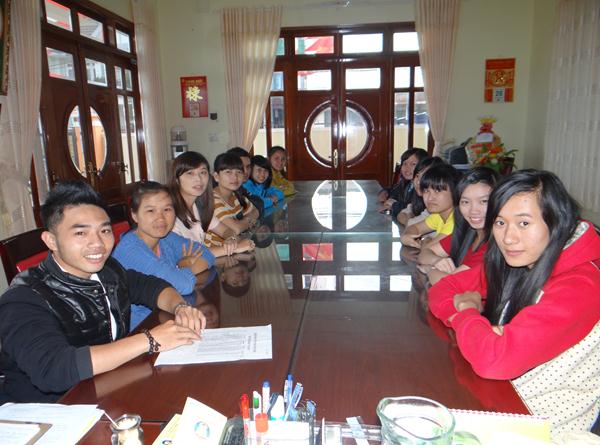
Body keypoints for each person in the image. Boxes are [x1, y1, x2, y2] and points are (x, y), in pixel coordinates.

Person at [428, 170, 600, 437]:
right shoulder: (516, 259)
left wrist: (467, 313)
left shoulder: (582, 285)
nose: (508, 237)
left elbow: (494, 360)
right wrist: (476, 328)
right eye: (500, 222)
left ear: (557, 221)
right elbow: (443, 289)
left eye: (524, 223)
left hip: (543, 425)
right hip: (498, 397)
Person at [0, 181, 205, 403]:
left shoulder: (108, 271)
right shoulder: (23, 298)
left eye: (104, 230)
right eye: (81, 233)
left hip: (109, 387)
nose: (97, 243)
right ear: (52, 241)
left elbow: (151, 286)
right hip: (52, 410)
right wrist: (150, 339)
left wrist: (180, 307)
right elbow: (54, 369)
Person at [113, 181, 215, 297]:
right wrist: (183, 267)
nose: (161, 218)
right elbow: (184, 285)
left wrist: (179, 273)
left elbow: (206, 254)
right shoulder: (130, 251)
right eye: (151, 211)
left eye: (167, 209)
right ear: (134, 215)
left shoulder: (166, 237)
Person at [418, 167, 499, 285]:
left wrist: (429, 270)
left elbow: (450, 283)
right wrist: (436, 260)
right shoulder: (466, 234)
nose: (473, 210)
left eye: (483, 201)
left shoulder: (495, 244)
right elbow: (424, 254)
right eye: (465, 202)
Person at [169, 151, 254, 256]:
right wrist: (232, 249)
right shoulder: (169, 212)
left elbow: (226, 231)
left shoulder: (199, 207)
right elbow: (186, 256)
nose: (198, 179)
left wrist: (231, 239)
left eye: (203, 172)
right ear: (177, 179)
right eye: (190, 173)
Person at [400, 163, 461, 249]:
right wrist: (406, 236)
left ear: (455, 192)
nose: (430, 198)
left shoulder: (456, 220)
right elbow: (414, 228)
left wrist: (426, 240)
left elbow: (430, 249)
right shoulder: (439, 216)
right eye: (426, 191)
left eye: (437, 191)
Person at [205, 152, 260, 247]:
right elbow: (236, 229)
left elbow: (256, 211)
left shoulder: (236, 195)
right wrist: (250, 220)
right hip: (215, 251)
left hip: (234, 246)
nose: (235, 177)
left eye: (239, 172)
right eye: (228, 172)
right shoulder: (213, 200)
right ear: (216, 176)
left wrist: (245, 221)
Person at [396, 156, 445, 226]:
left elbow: (412, 224)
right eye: (417, 176)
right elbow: (401, 215)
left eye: (425, 176)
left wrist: (410, 220)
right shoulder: (419, 200)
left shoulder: (436, 205)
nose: (418, 181)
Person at [378, 148, 428, 215]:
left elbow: (416, 208)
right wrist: (385, 192)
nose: (407, 168)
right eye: (404, 164)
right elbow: (395, 191)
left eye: (413, 164)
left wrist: (393, 205)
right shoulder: (408, 183)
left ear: (423, 166)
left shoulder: (424, 187)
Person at [228, 146, 265, 216]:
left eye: (248, 167)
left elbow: (259, 203)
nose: (245, 171)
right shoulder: (226, 190)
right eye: (241, 167)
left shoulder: (240, 188)